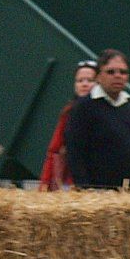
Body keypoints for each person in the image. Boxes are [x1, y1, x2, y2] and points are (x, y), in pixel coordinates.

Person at [64, 49, 130, 190]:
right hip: (99, 194)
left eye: (123, 72)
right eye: (111, 72)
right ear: (98, 76)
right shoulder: (83, 107)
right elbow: (75, 152)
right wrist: (86, 189)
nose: (118, 76)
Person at [39, 60, 98, 191]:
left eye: (90, 80)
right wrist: (45, 184)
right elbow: (55, 149)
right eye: (80, 80)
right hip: (70, 182)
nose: (85, 84)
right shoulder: (69, 112)